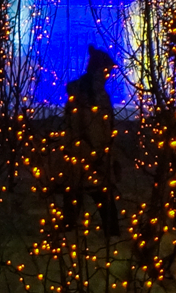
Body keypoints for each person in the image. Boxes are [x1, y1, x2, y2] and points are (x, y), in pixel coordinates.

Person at [63, 46, 120, 237]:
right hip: (85, 159)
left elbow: (106, 130)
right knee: (81, 198)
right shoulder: (83, 97)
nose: (108, 75)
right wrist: (93, 156)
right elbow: (78, 129)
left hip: (96, 158)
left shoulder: (100, 96)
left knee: (88, 199)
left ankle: (67, 237)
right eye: (106, 71)